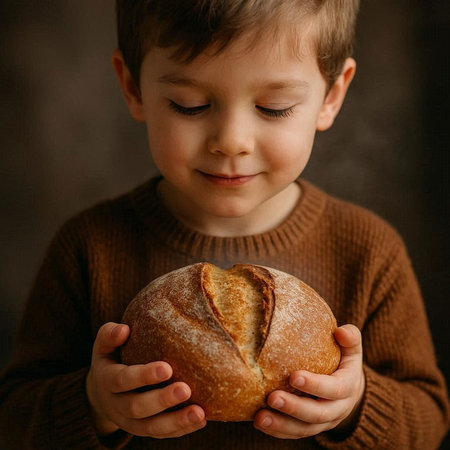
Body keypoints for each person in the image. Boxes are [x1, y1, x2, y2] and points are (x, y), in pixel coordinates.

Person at [0, 0, 448, 448]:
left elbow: (429, 422)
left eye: (274, 107)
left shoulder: (368, 250)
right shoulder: (89, 248)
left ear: (331, 96)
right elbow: (14, 419)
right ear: (132, 87)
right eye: (189, 105)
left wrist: (355, 406)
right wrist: (93, 403)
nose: (231, 141)